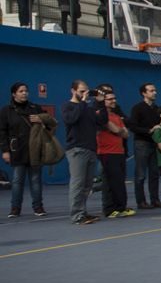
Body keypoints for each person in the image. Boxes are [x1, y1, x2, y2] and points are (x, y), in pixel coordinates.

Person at [1, 82, 51, 218]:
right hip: (17, 149)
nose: (24, 93)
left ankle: (38, 207)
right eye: (21, 91)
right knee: (17, 180)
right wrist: (5, 150)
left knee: (35, 179)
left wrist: (41, 120)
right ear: (14, 94)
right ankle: (15, 208)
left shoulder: (35, 108)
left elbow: (50, 124)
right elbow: (2, 132)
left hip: (35, 149)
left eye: (26, 91)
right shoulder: (6, 111)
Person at [62, 79, 99, 225]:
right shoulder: (68, 106)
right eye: (81, 91)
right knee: (77, 183)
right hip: (77, 149)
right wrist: (83, 103)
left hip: (90, 149)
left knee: (87, 184)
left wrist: (100, 102)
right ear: (73, 91)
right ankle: (77, 215)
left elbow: (100, 121)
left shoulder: (88, 109)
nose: (85, 94)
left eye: (86, 91)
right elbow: (70, 119)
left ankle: (82, 211)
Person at [95, 86, 133, 218]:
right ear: (103, 101)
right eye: (109, 99)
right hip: (106, 152)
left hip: (119, 152)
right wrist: (119, 130)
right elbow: (117, 130)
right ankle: (110, 209)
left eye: (114, 98)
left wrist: (119, 130)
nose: (113, 101)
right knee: (111, 182)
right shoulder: (100, 115)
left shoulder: (116, 116)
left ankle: (120, 207)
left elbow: (125, 134)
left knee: (119, 181)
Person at [127, 82, 161, 209]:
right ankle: (141, 201)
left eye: (155, 90)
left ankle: (155, 199)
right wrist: (149, 130)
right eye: (152, 90)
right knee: (141, 174)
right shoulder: (137, 108)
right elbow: (133, 126)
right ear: (144, 93)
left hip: (154, 144)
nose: (155, 92)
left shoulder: (156, 109)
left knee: (154, 173)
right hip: (142, 143)